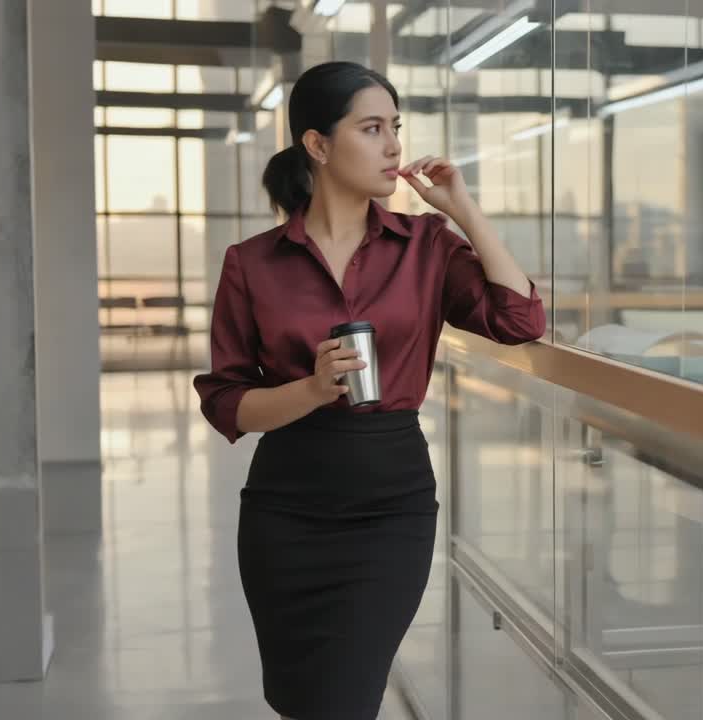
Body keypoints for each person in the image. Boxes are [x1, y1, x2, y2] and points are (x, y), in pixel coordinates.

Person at [193, 61, 546, 720]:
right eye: (372, 128)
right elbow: (226, 399)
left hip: (391, 508)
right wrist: (312, 388)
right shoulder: (252, 263)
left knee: (344, 698)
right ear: (318, 145)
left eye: (396, 128)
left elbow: (520, 319)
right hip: (285, 513)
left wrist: (463, 209)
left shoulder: (428, 246)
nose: (394, 147)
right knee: (306, 702)